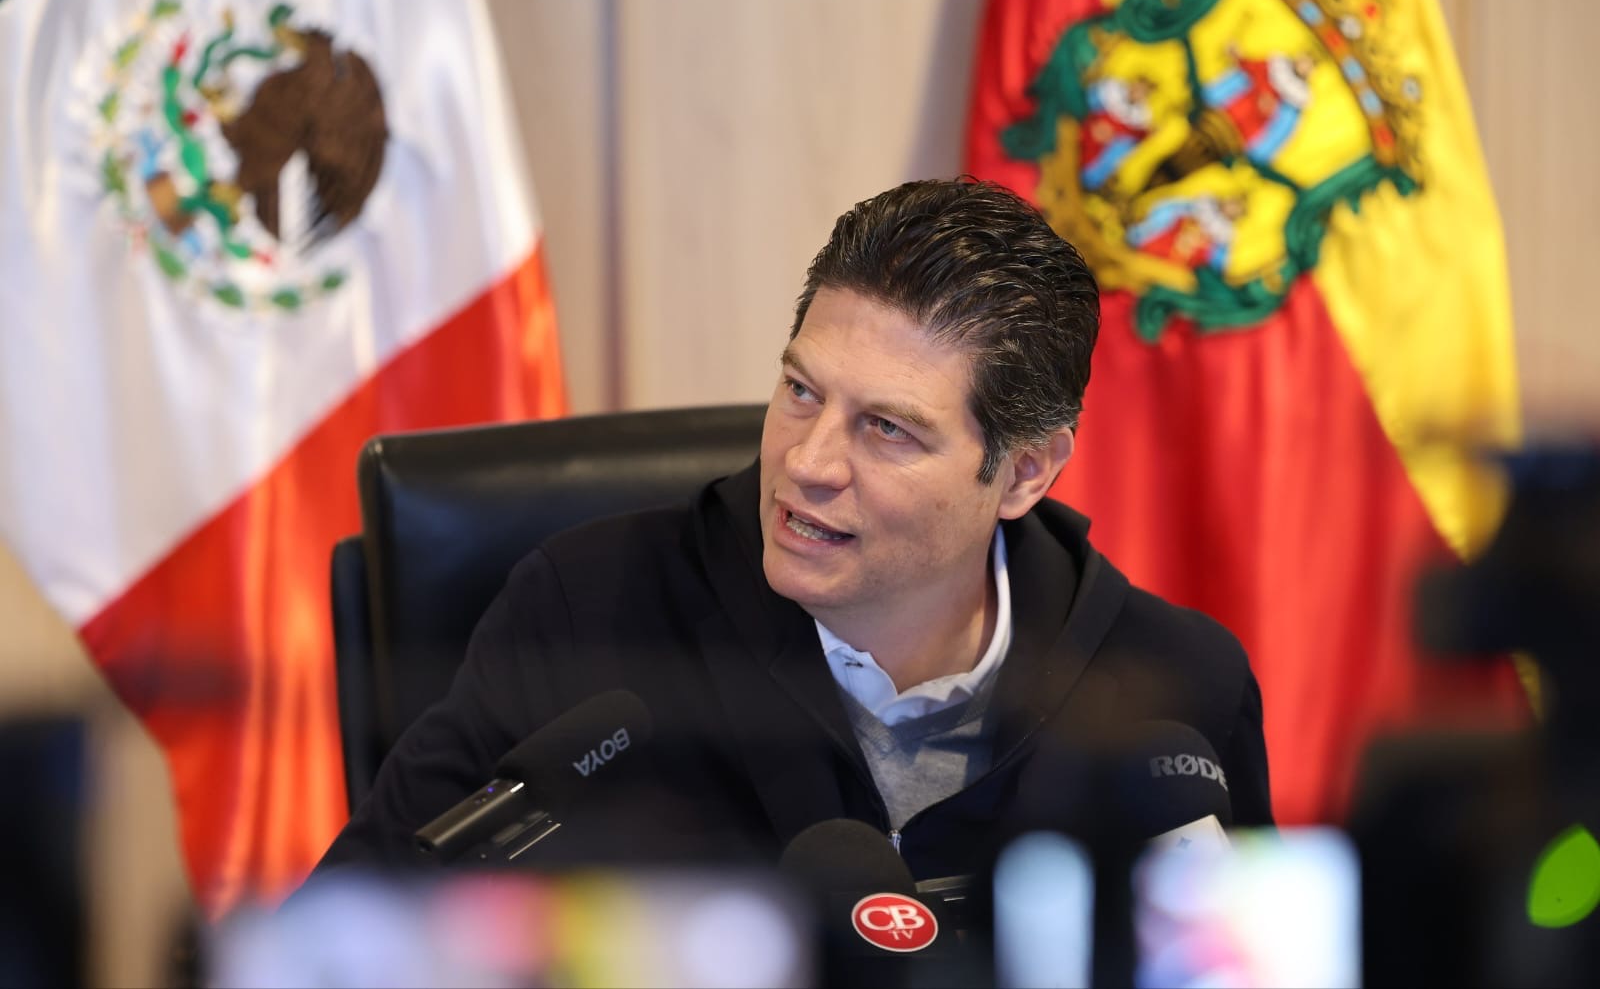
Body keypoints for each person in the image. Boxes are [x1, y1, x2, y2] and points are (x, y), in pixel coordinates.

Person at [314, 178, 1271, 879]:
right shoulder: (587, 615)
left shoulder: (1176, 686)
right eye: (801, 391)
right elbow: (341, 943)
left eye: (886, 429)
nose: (807, 462)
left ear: (1024, 472)